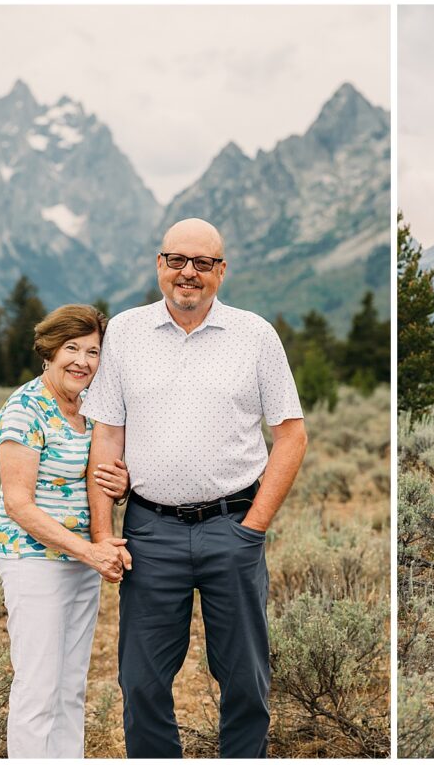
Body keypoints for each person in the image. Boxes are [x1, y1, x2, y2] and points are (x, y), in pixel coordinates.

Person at [81, 217, 307, 758]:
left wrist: (254, 528)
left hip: (234, 526)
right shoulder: (126, 333)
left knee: (246, 681)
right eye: (177, 260)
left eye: (203, 263)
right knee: (141, 680)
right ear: (160, 265)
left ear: (221, 272)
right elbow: (108, 433)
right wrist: (103, 534)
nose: (189, 273)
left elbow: (292, 436)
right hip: (149, 531)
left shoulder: (255, 336)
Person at [0, 304, 132, 758]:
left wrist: (122, 485)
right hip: (34, 561)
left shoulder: (89, 409)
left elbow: (99, 476)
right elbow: (18, 504)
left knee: (71, 685)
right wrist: (91, 551)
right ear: (49, 351)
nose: (82, 361)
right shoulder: (24, 408)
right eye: (71, 348)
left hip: (77, 562)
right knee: (38, 687)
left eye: (92, 351)